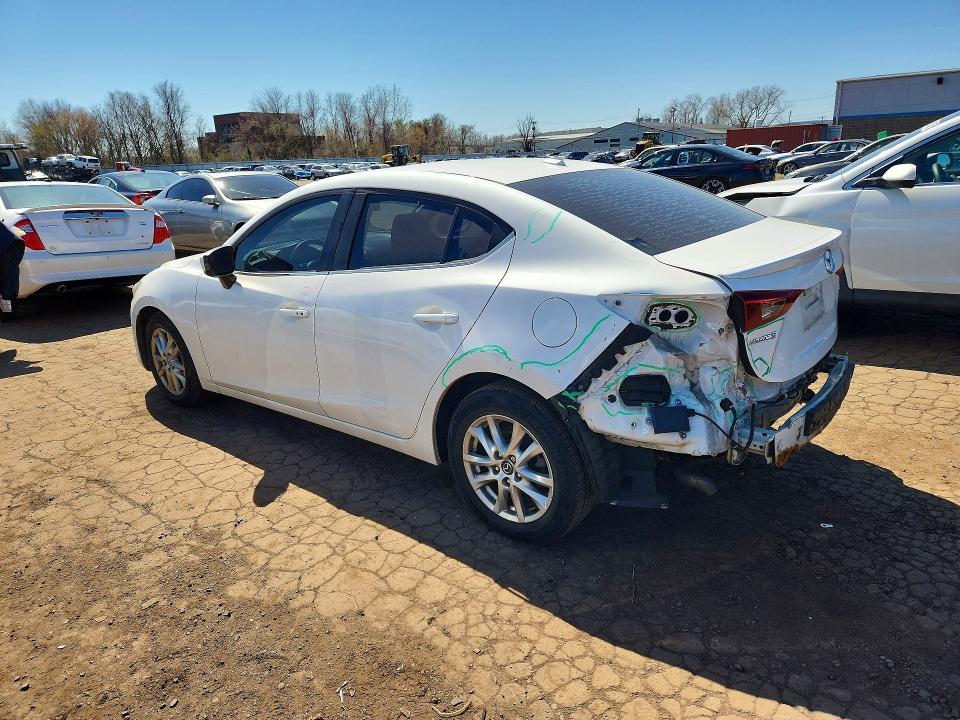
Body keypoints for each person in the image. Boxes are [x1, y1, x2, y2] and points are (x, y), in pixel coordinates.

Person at [0, 220, 26, 319]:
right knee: (8, 279)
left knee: (8, 280)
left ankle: (8, 313)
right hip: (11, 244)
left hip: (9, 246)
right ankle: (8, 313)